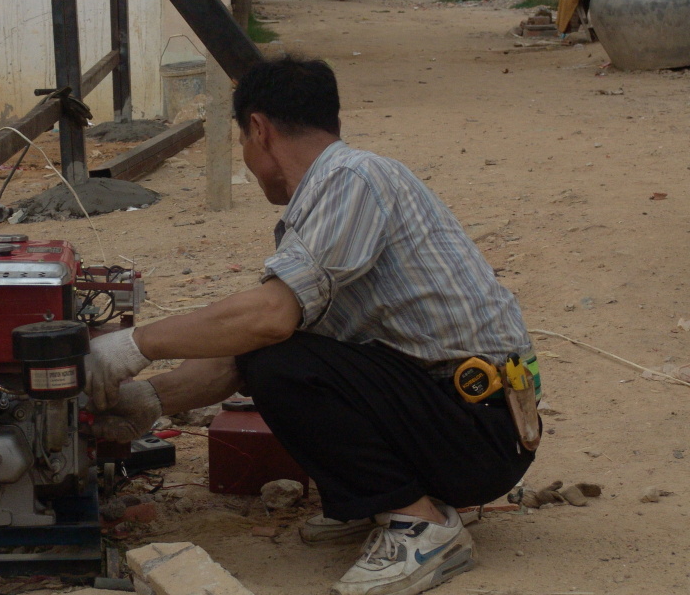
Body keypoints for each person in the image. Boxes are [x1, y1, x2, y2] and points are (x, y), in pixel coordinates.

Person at [85, 57, 539, 595]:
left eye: (243, 145)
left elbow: (269, 322)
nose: (249, 161)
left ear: (259, 129)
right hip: (462, 418)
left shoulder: (352, 179)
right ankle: (381, 501)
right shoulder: (334, 196)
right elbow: (242, 348)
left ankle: (421, 524)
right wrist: (147, 402)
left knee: (283, 362)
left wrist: (128, 347)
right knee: (275, 352)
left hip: (479, 429)